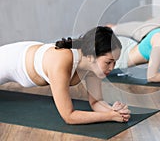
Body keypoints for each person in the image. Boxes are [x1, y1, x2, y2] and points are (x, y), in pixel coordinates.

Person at [0, 26, 130, 124]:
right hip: (7, 60)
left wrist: (113, 111)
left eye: (115, 62)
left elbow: (96, 101)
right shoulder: (61, 60)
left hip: (26, 52)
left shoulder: (93, 66)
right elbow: (69, 116)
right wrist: (110, 116)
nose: (112, 68)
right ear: (91, 56)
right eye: (108, 62)